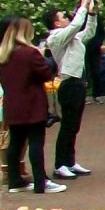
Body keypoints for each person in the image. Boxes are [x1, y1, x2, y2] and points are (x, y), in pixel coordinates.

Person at [1, 16, 66, 194]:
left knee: (16, 142)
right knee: (36, 142)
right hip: (32, 103)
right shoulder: (29, 53)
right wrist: (46, 57)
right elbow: (46, 73)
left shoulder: (4, 54)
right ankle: (40, 182)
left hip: (12, 104)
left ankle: (14, 181)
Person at [43, 0, 98, 180]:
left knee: (74, 125)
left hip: (78, 83)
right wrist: (82, 6)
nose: (67, 18)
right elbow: (75, 25)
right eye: (63, 17)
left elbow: (88, 32)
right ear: (56, 23)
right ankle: (60, 165)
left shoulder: (72, 38)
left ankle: (70, 161)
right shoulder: (56, 38)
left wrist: (92, 14)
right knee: (67, 125)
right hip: (68, 83)